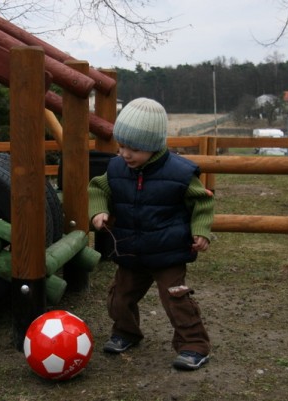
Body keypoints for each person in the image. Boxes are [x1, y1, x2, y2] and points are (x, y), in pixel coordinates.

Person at [88, 97, 215, 371]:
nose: (125, 154)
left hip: (167, 252)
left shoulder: (180, 173)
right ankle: (126, 332)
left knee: (175, 298)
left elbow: (202, 202)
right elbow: (97, 188)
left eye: (134, 149)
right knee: (120, 297)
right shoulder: (116, 169)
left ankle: (193, 345)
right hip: (130, 249)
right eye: (121, 146)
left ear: (155, 145)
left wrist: (201, 230)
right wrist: (98, 211)